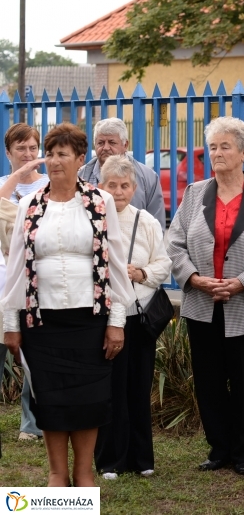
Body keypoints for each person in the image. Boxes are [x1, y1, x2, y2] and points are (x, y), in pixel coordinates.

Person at [2, 123, 135, 487]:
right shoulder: (29, 204)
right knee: (49, 399)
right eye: (50, 153)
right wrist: (10, 323)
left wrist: (117, 321)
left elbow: (115, 264)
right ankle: (57, 474)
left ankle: (84, 472)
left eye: (63, 154)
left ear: (80, 158)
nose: (54, 160)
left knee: (89, 399)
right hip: (41, 322)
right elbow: (16, 266)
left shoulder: (100, 201)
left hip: (90, 319)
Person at [167, 116, 244, 476]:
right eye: (213, 147)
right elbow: (174, 242)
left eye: (225, 146)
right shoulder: (194, 194)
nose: (217, 153)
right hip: (201, 303)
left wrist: (240, 283)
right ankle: (218, 448)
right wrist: (194, 278)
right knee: (208, 380)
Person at [94, 155, 172, 480]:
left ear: (135, 187)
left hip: (139, 318)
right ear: (101, 186)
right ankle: (110, 460)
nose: (118, 191)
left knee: (139, 387)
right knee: (110, 389)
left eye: (125, 185)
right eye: (112, 185)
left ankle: (142, 459)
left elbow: (164, 264)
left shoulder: (147, 221)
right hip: (104, 320)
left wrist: (140, 273)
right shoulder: (93, 220)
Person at [0, 123, 49, 442]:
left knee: (34, 352)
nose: (28, 154)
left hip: (37, 281)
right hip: (4, 280)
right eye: (21, 148)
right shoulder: (3, 185)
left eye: (33, 148)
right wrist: (18, 176)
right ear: (8, 153)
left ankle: (31, 424)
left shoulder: (50, 184)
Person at [78, 117, 166, 230]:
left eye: (112, 142)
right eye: (101, 142)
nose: (105, 148)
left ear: (125, 145)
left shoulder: (148, 177)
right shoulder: (81, 176)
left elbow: (156, 226)